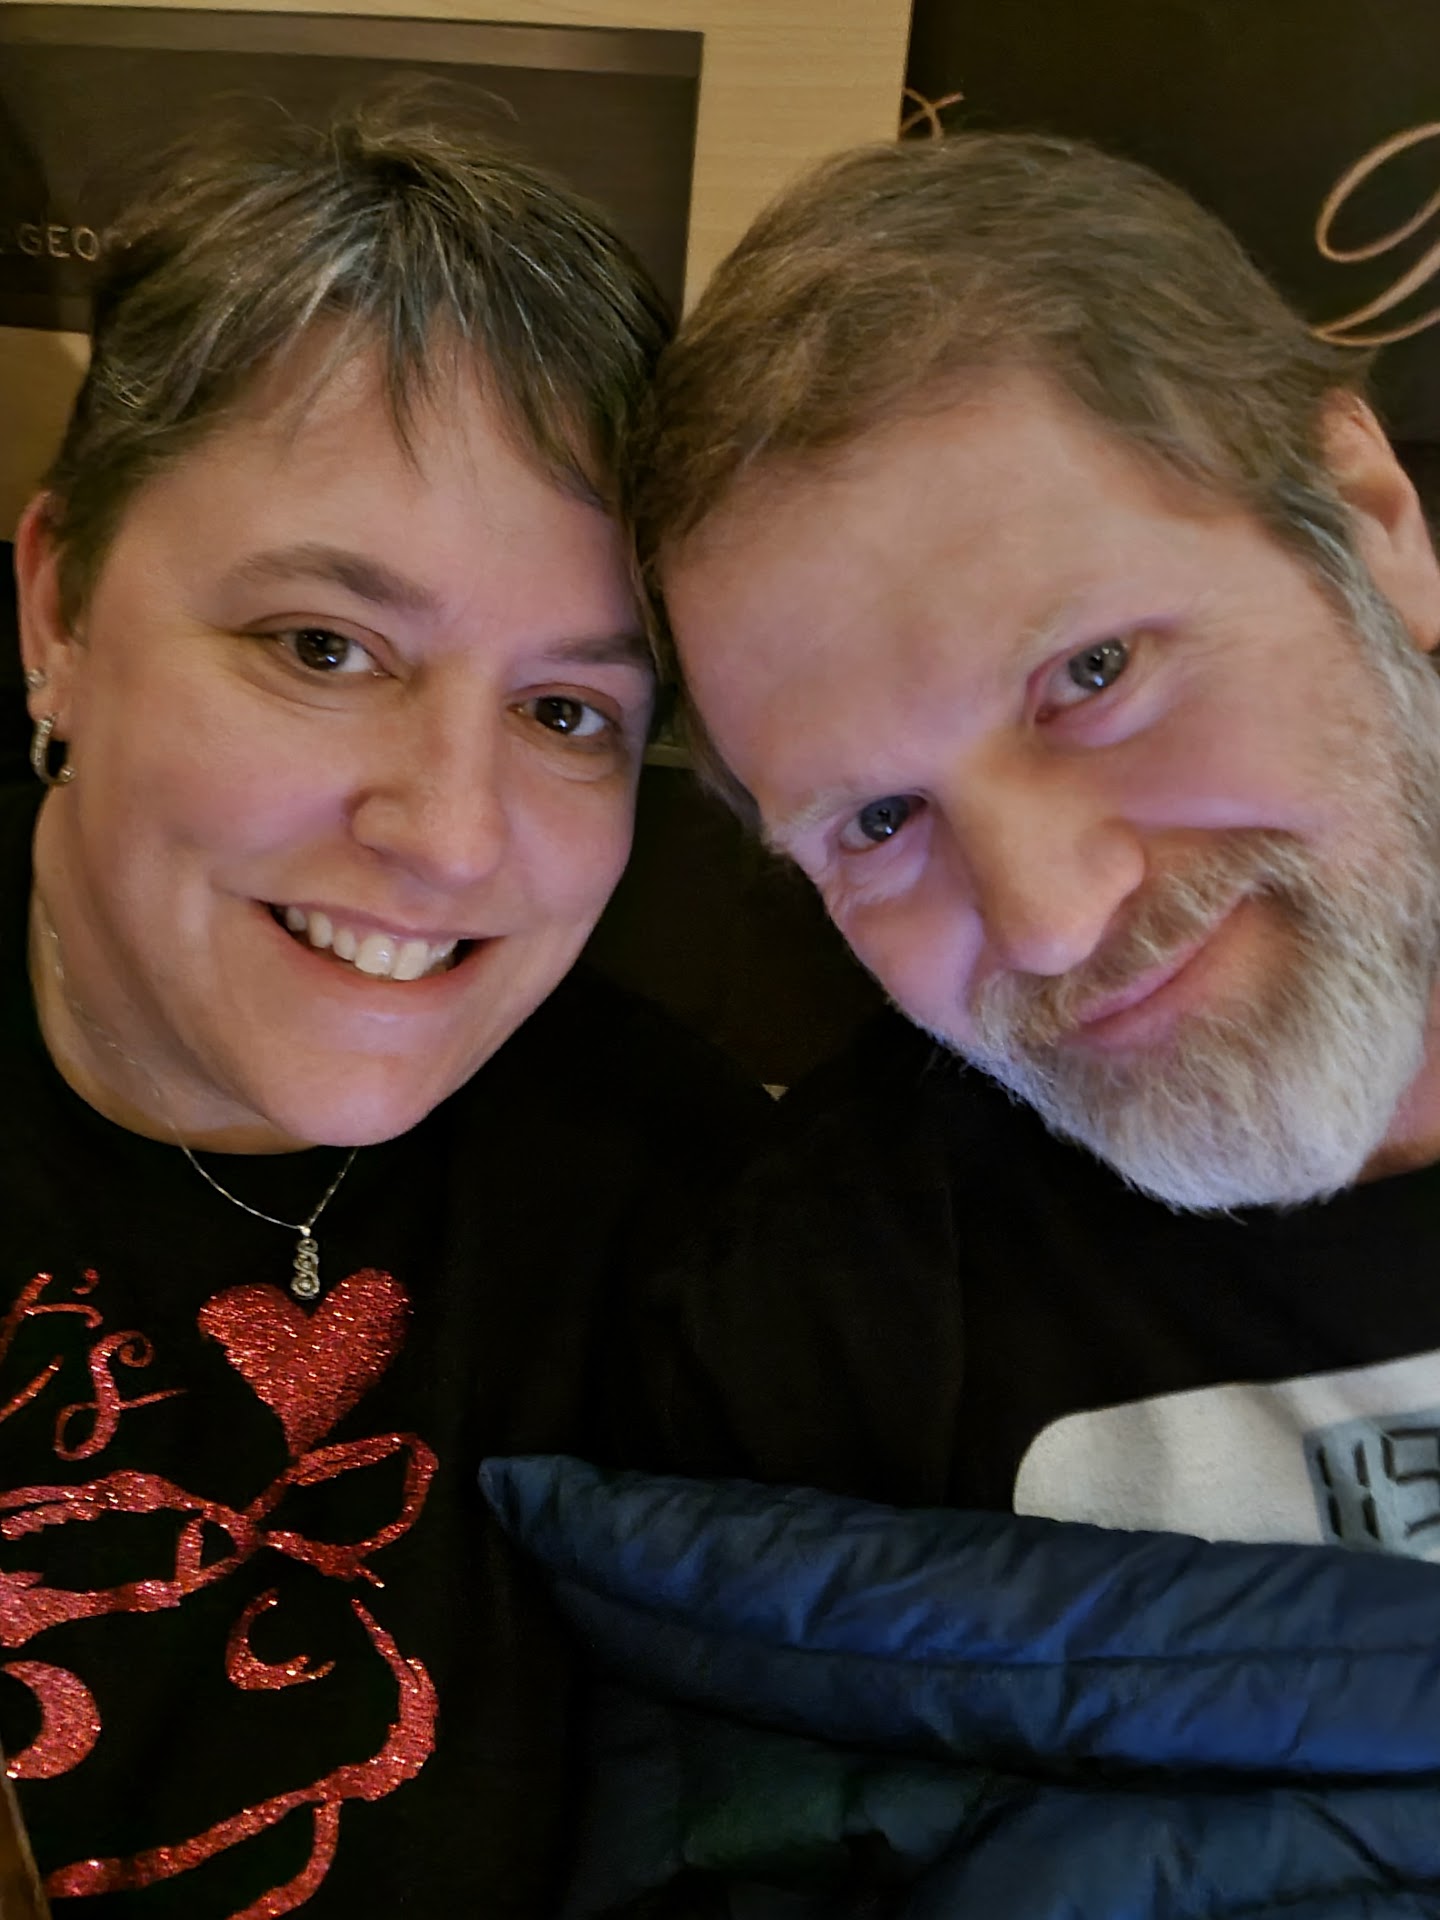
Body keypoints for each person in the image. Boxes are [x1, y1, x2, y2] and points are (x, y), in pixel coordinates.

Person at [484, 133, 1440, 1914]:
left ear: (1372, 525)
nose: (1050, 916)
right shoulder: (802, 1343)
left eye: (1095, 673)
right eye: (875, 821)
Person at [0, 99, 765, 1917]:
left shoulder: (702, 1223)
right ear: (58, 612)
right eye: (324, 648)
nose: (450, 833)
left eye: (568, 711)